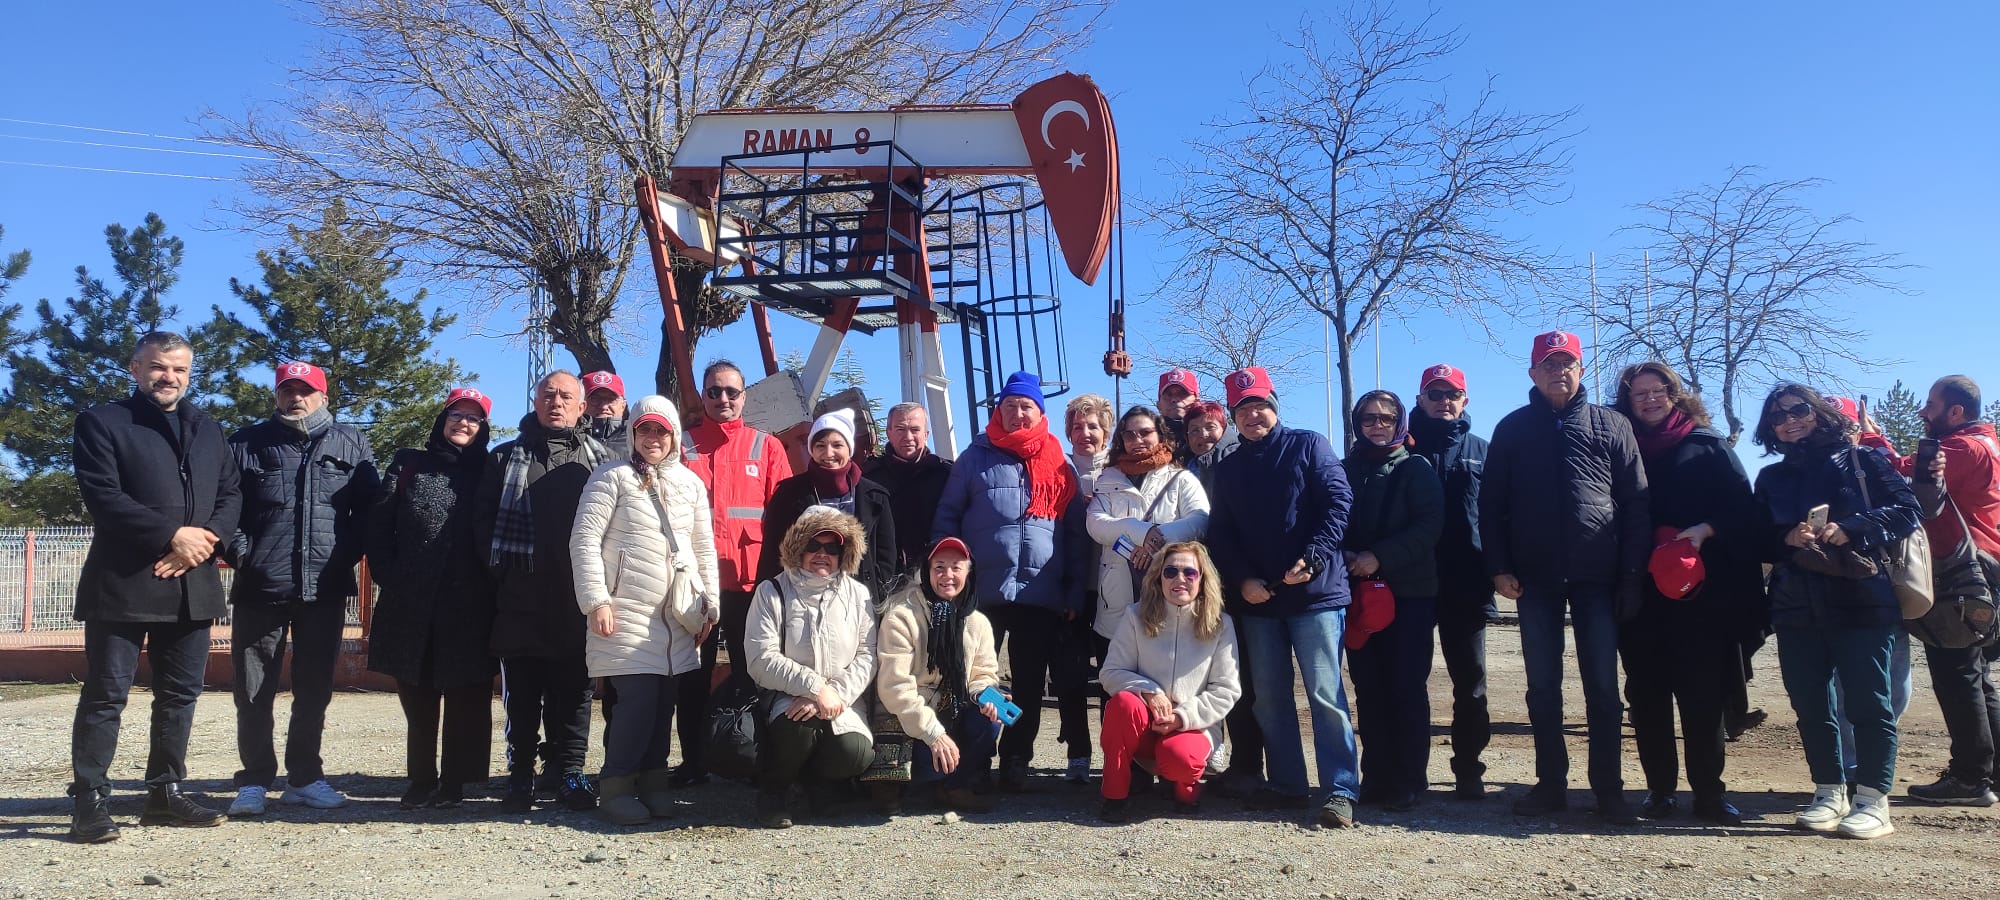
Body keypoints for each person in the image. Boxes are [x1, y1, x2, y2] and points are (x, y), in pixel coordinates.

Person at [67, 331, 241, 842]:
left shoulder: (208, 428)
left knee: (180, 696)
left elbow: (231, 492)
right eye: (159, 367)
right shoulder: (103, 422)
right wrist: (171, 535)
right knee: (105, 695)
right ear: (135, 368)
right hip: (123, 582)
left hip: (193, 582)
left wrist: (206, 542)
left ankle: (164, 793)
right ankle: (90, 800)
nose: (170, 378)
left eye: (180, 370)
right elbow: (103, 495)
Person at [1481, 331, 1649, 824]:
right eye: (1549, 364)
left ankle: (1609, 790)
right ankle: (1551, 784)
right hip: (1534, 579)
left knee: (1602, 687)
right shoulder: (1512, 429)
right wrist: (1499, 567)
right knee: (1542, 687)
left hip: (1599, 577)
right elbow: (1491, 507)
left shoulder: (1612, 425)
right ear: (1533, 373)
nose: (1559, 371)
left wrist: (1633, 574)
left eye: (1568, 362)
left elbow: (1636, 502)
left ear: (1581, 369)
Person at [1750, 383, 1921, 839]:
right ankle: (1829, 791)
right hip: (1795, 604)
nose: (1790, 419)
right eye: (1778, 416)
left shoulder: (1864, 461)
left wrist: (1853, 528)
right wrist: (1785, 538)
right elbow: (1753, 536)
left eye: (1798, 409)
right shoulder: (1771, 479)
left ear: (1820, 412)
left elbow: (1908, 510)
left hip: (1862, 599)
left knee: (1869, 702)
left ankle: (1873, 801)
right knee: (1810, 703)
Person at [1206, 366, 1362, 828]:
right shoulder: (1229, 466)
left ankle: (1339, 788)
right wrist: (1242, 581)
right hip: (1260, 600)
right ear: (1234, 417)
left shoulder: (1310, 444)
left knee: (1325, 694)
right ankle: (1289, 784)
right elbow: (1223, 533)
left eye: (1259, 405)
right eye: (1243, 408)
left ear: (1274, 406)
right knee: (1270, 697)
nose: (1252, 414)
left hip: (1314, 594)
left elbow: (1339, 502)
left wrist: (1312, 557)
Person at [223, 361, 379, 817]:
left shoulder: (352, 442)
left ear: (323, 396)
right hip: (260, 586)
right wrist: (243, 554)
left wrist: (343, 554)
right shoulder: (247, 443)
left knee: (314, 689)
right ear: (276, 395)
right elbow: (227, 507)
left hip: (325, 588)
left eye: (306, 390)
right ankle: (254, 780)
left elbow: (367, 512)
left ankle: (305, 776)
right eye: (287, 389)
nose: (296, 398)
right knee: (253, 689)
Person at [1611, 362, 1763, 825]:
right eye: (1639, 394)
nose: (1650, 399)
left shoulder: (1708, 445)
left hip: (1701, 596)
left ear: (1676, 395)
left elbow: (1745, 510)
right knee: (1647, 696)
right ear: (1627, 401)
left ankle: (1710, 794)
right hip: (1640, 594)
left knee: (1702, 697)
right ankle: (1659, 790)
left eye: (1659, 391)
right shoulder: (1619, 447)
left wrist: (1707, 529)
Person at [932, 371, 1086, 791]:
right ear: (999, 410)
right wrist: (945, 572)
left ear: (1040, 412)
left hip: (1041, 592)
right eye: (1011, 406)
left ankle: (1017, 757)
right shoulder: (974, 457)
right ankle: (975, 757)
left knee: (1030, 680)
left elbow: (1074, 534)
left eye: (1027, 407)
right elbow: (948, 515)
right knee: (971, 676)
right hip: (981, 592)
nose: (1018, 413)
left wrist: (1073, 589)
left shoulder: (1059, 463)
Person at [570, 395, 720, 825]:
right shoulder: (610, 478)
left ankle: (653, 783)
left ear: (673, 435)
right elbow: (584, 543)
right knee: (635, 702)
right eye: (645, 429)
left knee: (662, 705)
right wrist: (596, 599)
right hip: (626, 612)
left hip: (676, 616)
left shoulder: (691, 485)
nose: (653, 438)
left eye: (661, 430)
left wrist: (710, 608)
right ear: (633, 433)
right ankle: (616, 785)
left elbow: (703, 551)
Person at [474, 370, 612, 813]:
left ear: (582, 406)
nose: (556, 402)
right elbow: (482, 528)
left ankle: (570, 772)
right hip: (520, 601)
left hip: (579, 600)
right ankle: (520, 776)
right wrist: (506, 578)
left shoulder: (603, 462)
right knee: (523, 695)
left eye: (566, 396)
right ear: (534, 400)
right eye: (548, 394)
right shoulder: (503, 459)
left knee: (576, 695)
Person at [365, 388, 498, 810]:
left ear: (483, 429)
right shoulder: (409, 464)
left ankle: (456, 782)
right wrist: (392, 576)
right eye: (456, 415)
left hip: (472, 603)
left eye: (473, 419)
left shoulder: (491, 469)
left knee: (465, 696)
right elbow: (379, 525)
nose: (463, 423)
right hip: (413, 600)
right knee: (417, 694)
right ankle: (421, 778)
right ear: (441, 421)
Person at [681, 359, 794, 786]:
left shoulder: (766, 448)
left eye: (731, 391)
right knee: (691, 676)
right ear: (704, 396)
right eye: (714, 391)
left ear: (744, 396)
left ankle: (754, 759)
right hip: (696, 586)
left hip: (752, 584)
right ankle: (692, 764)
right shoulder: (684, 446)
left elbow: (784, 520)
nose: (723, 399)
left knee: (755, 673)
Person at [1899, 376, 2000, 807]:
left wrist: (1867, 437)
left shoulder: (1962, 447)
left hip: (1963, 574)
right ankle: (1989, 774)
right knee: (1976, 677)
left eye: (1931, 405)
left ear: (1955, 412)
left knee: (1957, 674)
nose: (1924, 412)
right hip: (1983, 569)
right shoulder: (1986, 444)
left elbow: (1902, 470)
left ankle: (1969, 778)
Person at [1341, 390, 1444, 812]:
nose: (1378, 425)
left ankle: (1409, 779)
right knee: (1368, 688)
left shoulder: (1417, 468)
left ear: (1400, 420)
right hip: (1359, 596)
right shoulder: (1345, 468)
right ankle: (1377, 776)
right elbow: (1332, 515)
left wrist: (1378, 556)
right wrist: (1344, 553)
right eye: (1368, 419)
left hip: (1408, 595)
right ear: (1357, 423)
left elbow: (1429, 525)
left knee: (1405, 687)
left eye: (1386, 418)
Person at [746, 508, 879, 828]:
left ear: (843, 552)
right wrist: (813, 688)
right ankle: (774, 792)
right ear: (798, 547)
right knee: (798, 728)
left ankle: (821, 784)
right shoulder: (771, 591)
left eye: (832, 548)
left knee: (856, 751)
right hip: (787, 698)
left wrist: (833, 693)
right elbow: (760, 657)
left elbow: (867, 655)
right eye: (813, 545)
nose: (822, 554)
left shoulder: (858, 595)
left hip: (842, 699)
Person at [1098, 541, 1241, 822]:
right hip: (1145, 724)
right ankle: (1114, 795)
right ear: (1158, 578)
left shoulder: (1220, 624)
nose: (1180, 579)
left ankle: (1185, 788)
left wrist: (1181, 717)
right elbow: (1111, 672)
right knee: (1122, 704)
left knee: (1180, 758)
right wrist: (1149, 691)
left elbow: (1226, 689)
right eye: (1170, 572)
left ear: (1202, 579)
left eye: (1190, 573)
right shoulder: (1135, 616)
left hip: (1192, 726)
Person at [1407, 363, 1494, 799]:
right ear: (1419, 399)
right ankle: (1412, 771)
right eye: (1434, 394)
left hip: (1467, 583)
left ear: (1465, 400)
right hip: (1412, 584)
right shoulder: (1400, 448)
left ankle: (1468, 770)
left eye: (1451, 394)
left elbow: (1501, 516)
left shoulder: (1484, 450)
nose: (1444, 401)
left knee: (1471, 682)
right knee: (1410, 680)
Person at [875, 537, 1005, 813]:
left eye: (956, 568)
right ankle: (895, 784)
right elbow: (895, 688)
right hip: (910, 717)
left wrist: (985, 695)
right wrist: (933, 733)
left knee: (988, 721)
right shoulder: (901, 616)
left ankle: (952, 786)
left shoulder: (978, 622)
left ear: (968, 572)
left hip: (951, 708)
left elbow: (984, 672)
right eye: (939, 567)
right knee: (906, 740)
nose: (948, 575)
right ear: (926, 571)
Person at [1087, 405, 1210, 660]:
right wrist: (1139, 531)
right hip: (1116, 598)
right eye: (1129, 435)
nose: (1137, 440)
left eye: (1145, 432)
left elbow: (1200, 519)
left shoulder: (1181, 479)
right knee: (1114, 687)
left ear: (1160, 435)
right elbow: (1095, 523)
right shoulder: (1108, 480)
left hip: (1171, 596)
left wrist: (1156, 541)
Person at [759, 409, 898, 601]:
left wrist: (878, 594)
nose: (828, 453)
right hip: (801, 600)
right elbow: (770, 555)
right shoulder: (788, 494)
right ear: (811, 449)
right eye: (820, 445)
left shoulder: (874, 496)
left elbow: (886, 557)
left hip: (859, 601)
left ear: (849, 449)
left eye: (837, 445)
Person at [863, 402, 954, 573]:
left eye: (915, 430)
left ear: (926, 434)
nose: (908, 437)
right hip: (885, 578)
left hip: (935, 577)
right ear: (888, 434)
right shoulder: (869, 478)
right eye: (900, 429)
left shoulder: (946, 476)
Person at [1182, 400, 1238, 498]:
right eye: (1195, 430)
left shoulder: (1237, 458)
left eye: (1210, 427)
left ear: (1223, 429)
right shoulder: (1181, 464)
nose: (1203, 435)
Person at [582, 371, 630, 460]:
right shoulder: (572, 439)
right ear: (581, 404)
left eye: (611, 399)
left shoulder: (636, 439)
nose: (603, 406)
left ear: (623, 405)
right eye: (595, 399)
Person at [1156, 368, 1201, 453]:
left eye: (1183, 393)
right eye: (1168, 394)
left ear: (1197, 402)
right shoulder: (1146, 437)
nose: (1174, 399)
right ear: (1158, 405)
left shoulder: (1212, 434)